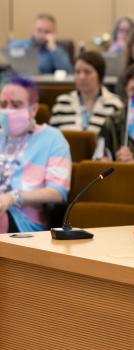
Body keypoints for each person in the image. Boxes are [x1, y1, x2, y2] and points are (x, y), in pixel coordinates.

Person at [0, 76, 71, 233]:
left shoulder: (53, 139)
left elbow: (57, 193)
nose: (8, 110)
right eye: (3, 104)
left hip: (25, 222)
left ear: (33, 109)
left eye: (16, 105)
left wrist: (12, 198)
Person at [49, 51, 123, 135]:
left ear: (100, 75)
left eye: (87, 72)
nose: (81, 77)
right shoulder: (62, 102)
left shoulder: (115, 104)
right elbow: (52, 138)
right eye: (77, 72)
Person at [8, 13, 73, 74]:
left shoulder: (58, 51)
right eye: (39, 30)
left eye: (47, 32)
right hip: (19, 82)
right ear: (33, 31)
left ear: (54, 33)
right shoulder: (19, 45)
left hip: (45, 84)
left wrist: (53, 48)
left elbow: (68, 71)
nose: (42, 35)